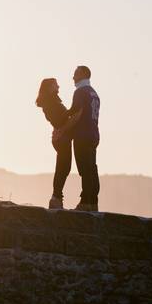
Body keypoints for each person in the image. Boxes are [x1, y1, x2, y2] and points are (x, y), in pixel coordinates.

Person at [36, 78, 82, 209]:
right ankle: (56, 198)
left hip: (61, 137)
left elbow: (63, 117)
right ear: (50, 87)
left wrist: (73, 111)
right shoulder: (50, 103)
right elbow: (61, 118)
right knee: (63, 168)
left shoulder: (53, 101)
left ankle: (57, 198)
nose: (58, 86)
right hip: (61, 139)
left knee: (63, 168)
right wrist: (76, 110)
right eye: (56, 84)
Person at [68, 65, 101, 211]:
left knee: (85, 170)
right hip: (93, 135)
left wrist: (63, 130)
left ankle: (85, 202)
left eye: (75, 74)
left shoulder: (80, 92)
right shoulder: (94, 93)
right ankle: (93, 202)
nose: (73, 77)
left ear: (82, 74)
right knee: (92, 168)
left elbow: (76, 114)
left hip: (82, 135)